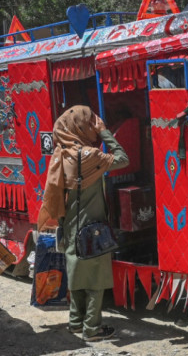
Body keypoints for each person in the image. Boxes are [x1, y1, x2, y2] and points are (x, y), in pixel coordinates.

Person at [38, 105, 129, 342]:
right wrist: (106, 133)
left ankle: (75, 323)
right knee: (95, 280)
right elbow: (123, 158)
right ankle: (92, 329)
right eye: (89, 122)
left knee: (77, 275)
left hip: (70, 225)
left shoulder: (61, 154)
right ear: (79, 126)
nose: (92, 125)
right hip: (92, 228)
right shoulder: (90, 156)